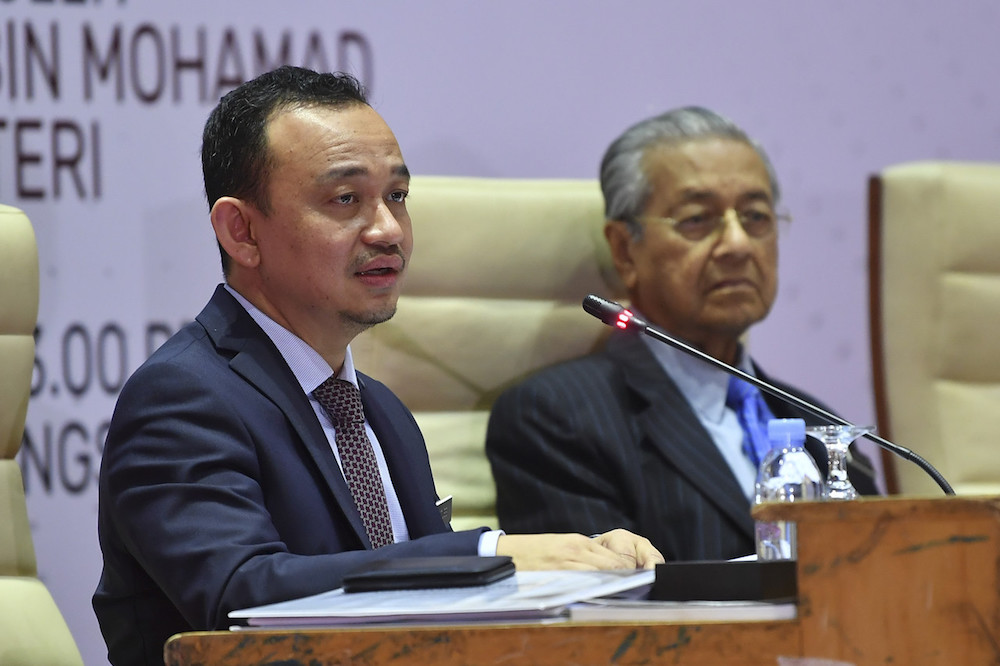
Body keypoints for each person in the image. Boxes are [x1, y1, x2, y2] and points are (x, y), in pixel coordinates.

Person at [92, 66, 662, 666]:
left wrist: (584, 571)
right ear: (242, 231)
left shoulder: (378, 410)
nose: (389, 230)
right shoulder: (183, 397)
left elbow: (434, 599)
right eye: (345, 200)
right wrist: (493, 553)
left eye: (396, 196)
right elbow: (240, 595)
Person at [486, 106, 879, 563]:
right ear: (624, 250)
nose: (737, 245)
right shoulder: (558, 419)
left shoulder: (812, 420)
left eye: (755, 216)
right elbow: (602, 613)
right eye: (697, 219)